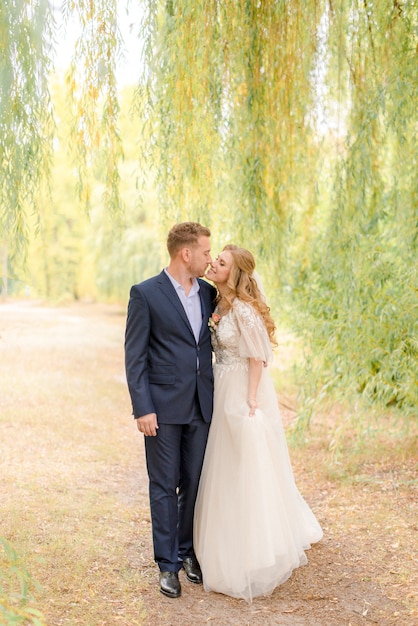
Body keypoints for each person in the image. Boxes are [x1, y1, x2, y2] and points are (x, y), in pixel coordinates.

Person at [194, 244, 323, 603]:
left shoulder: (245, 312)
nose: (214, 263)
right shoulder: (215, 303)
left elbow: (257, 358)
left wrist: (252, 399)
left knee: (242, 461)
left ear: (233, 273)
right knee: (220, 462)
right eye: (215, 258)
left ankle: (254, 546)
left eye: (220, 262)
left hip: (237, 390)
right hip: (218, 385)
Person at [124, 222, 217, 599]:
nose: (210, 259)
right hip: (161, 409)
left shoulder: (209, 293)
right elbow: (135, 357)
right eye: (206, 252)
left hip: (201, 404)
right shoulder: (146, 293)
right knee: (164, 486)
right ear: (186, 253)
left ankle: (186, 551)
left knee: (194, 483)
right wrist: (142, 408)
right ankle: (167, 565)